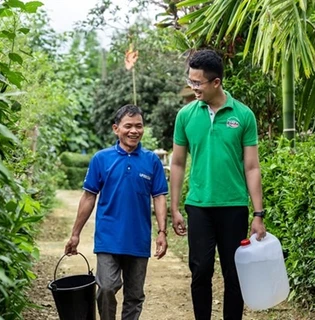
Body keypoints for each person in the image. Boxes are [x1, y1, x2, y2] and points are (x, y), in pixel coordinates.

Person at [170, 49, 267, 320]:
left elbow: (252, 166)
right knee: (200, 271)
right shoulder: (186, 115)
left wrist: (258, 214)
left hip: (234, 205)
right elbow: (177, 163)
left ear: (216, 82)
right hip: (198, 205)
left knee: (234, 273)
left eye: (198, 83)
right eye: (190, 80)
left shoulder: (243, 115)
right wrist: (174, 208)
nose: (193, 87)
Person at [65, 104, 169, 320]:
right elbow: (88, 197)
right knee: (106, 287)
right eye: (128, 126)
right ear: (116, 129)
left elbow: (159, 196)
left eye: (139, 126)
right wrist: (75, 233)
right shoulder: (101, 159)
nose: (134, 131)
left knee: (134, 295)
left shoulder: (151, 161)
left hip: (138, 239)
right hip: (108, 238)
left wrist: (162, 232)